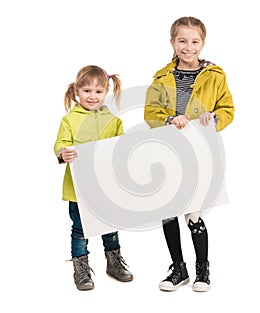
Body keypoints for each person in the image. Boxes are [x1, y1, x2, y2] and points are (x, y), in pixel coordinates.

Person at [144, 16, 234, 292]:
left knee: (193, 210)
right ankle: (178, 269)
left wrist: (214, 116)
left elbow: (227, 109)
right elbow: (151, 112)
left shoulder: (216, 76)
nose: (188, 47)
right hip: (169, 151)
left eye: (195, 41)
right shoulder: (161, 77)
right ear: (172, 42)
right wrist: (171, 120)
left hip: (198, 151)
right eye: (182, 41)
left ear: (202, 43)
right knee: (169, 211)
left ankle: (202, 270)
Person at [54, 65, 133, 291]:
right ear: (77, 91)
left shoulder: (114, 120)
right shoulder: (69, 120)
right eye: (87, 90)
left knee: (110, 225)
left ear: (106, 93)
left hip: (106, 188)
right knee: (80, 229)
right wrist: (63, 152)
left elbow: (121, 149)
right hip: (78, 190)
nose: (92, 96)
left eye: (98, 92)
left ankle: (114, 263)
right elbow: (60, 144)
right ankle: (81, 269)